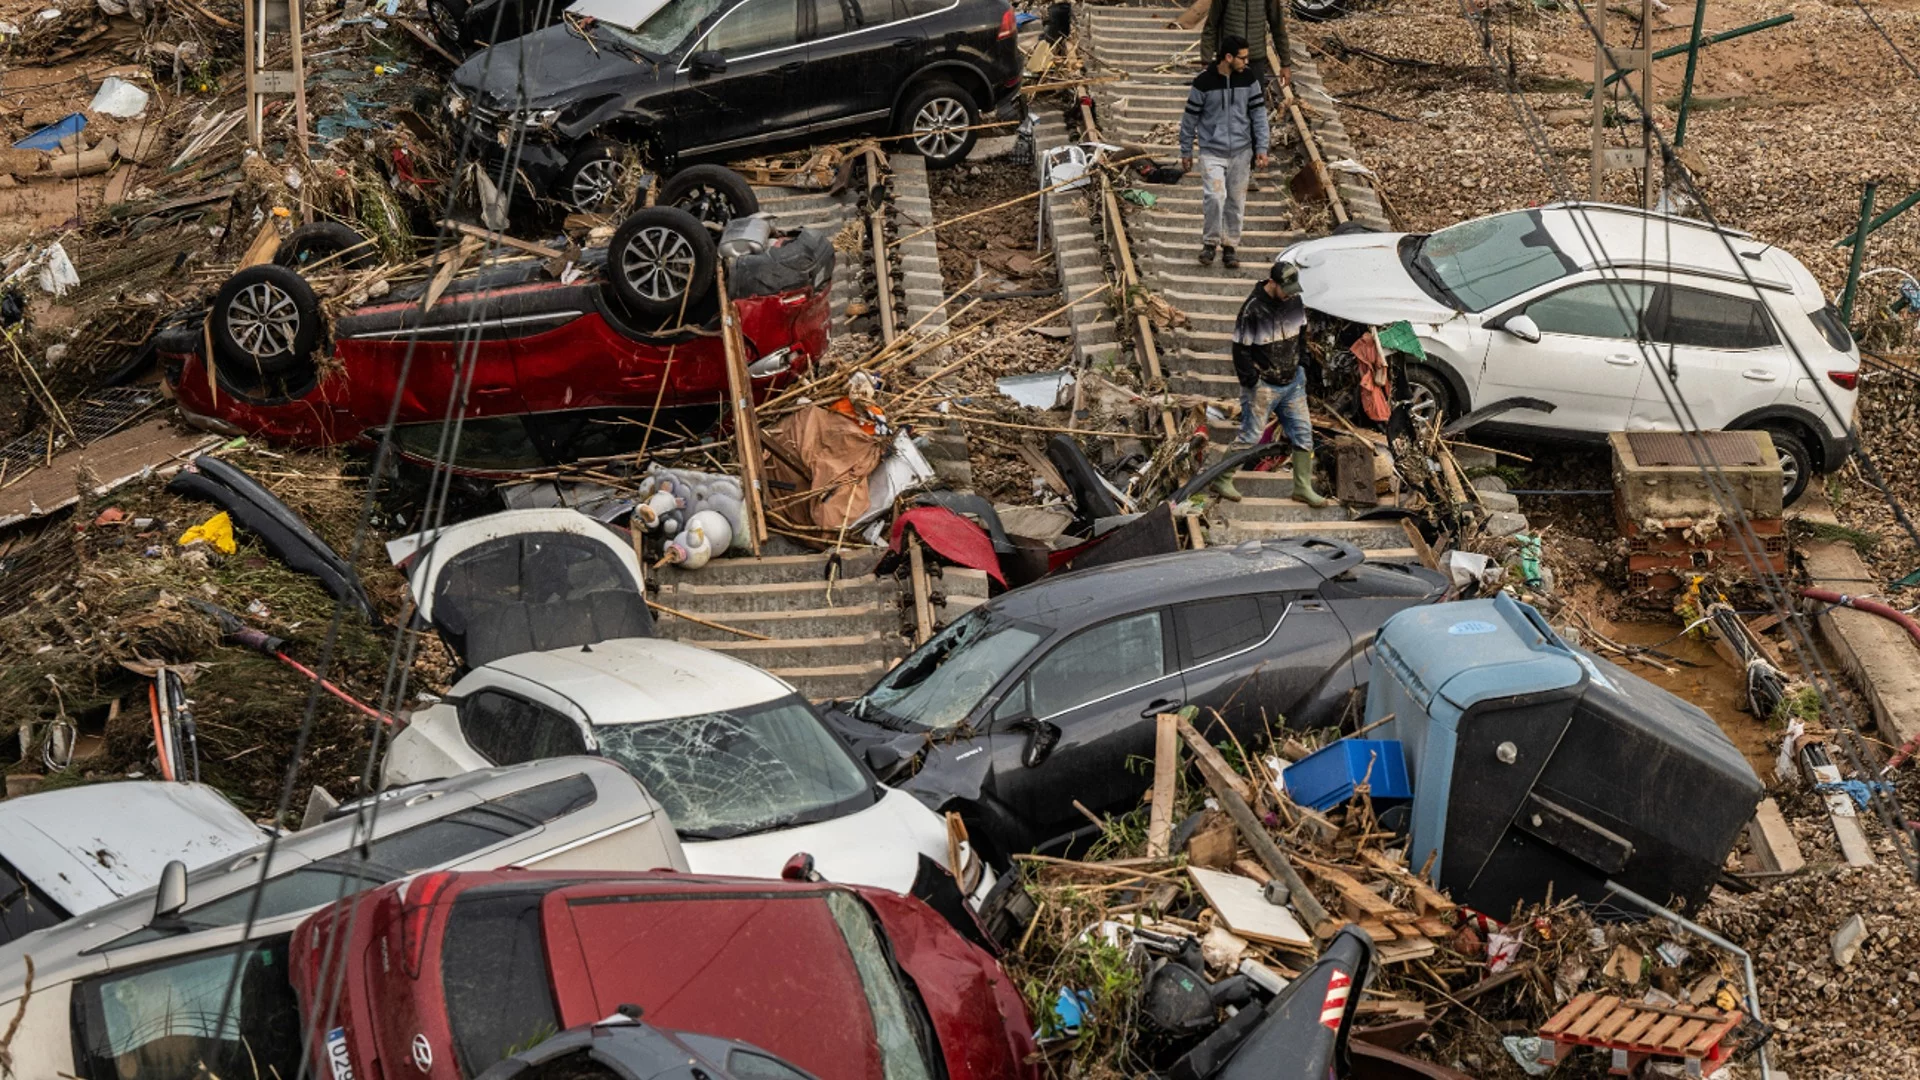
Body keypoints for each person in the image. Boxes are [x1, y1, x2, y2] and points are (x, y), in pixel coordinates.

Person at [1230, 260, 1327, 507]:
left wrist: (1303, 364)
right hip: (1264, 385)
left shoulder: (1294, 300)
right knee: (1250, 436)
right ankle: (1223, 477)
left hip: (1293, 382)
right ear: (1273, 283)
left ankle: (1302, 487)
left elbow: (1302, 335)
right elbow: (1240, 349)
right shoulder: (1253, 309)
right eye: (1286, 289)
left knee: (1303, 433)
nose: (1290, 294)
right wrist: (1250, 380)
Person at [1178, 36, 1269, 269]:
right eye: (1243, 57)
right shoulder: (1203, 83)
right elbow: (1189, 119)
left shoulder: (1249, 80)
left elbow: (1259, 115)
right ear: (1228, 57)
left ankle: (1230, 246)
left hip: (1241, 151)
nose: (1246, 62)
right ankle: (1210, 242)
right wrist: (1186, 150)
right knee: (1215, 197)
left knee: (1236, 200)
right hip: (1211, 151)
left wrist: (1261, 148)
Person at [1198, 0, 1292, 85]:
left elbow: (1278, 29)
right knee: (1226, 100)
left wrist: (1285, 64)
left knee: (1255, 101)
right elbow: (1211, 27)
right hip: (1229, 62)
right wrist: (1206, 62)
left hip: (1255, 62)